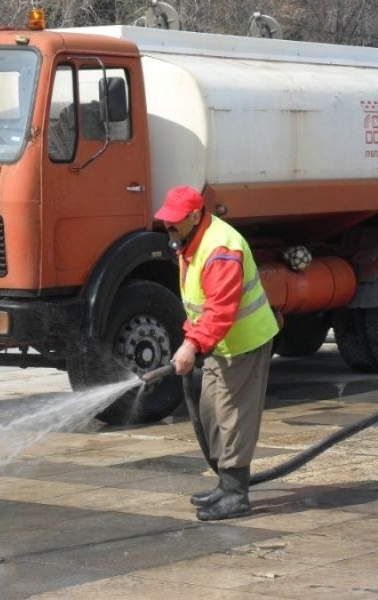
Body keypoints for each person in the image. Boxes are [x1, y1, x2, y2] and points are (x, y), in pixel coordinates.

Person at [155, 185, 279, 521]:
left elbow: (221, 309)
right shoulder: (191, 243)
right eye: (166, 219)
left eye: (175, 221)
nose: (169, 226)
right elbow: (200, 304)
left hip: (245, 343)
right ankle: (225, 487)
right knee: (210, 410)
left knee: (232, 416)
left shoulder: (221, 248)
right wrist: (191, 339)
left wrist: (191, 345)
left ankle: (236, 495)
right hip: (220, 344)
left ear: (195, 216)